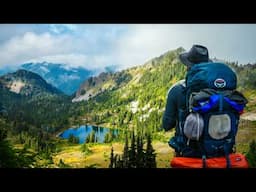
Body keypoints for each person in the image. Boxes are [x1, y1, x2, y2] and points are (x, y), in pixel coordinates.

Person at [162, 44, 212, 156]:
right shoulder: (217, 90)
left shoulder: (177, 90)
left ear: (187, 66)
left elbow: (167, 125)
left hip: (188, 153)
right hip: (216, 152)